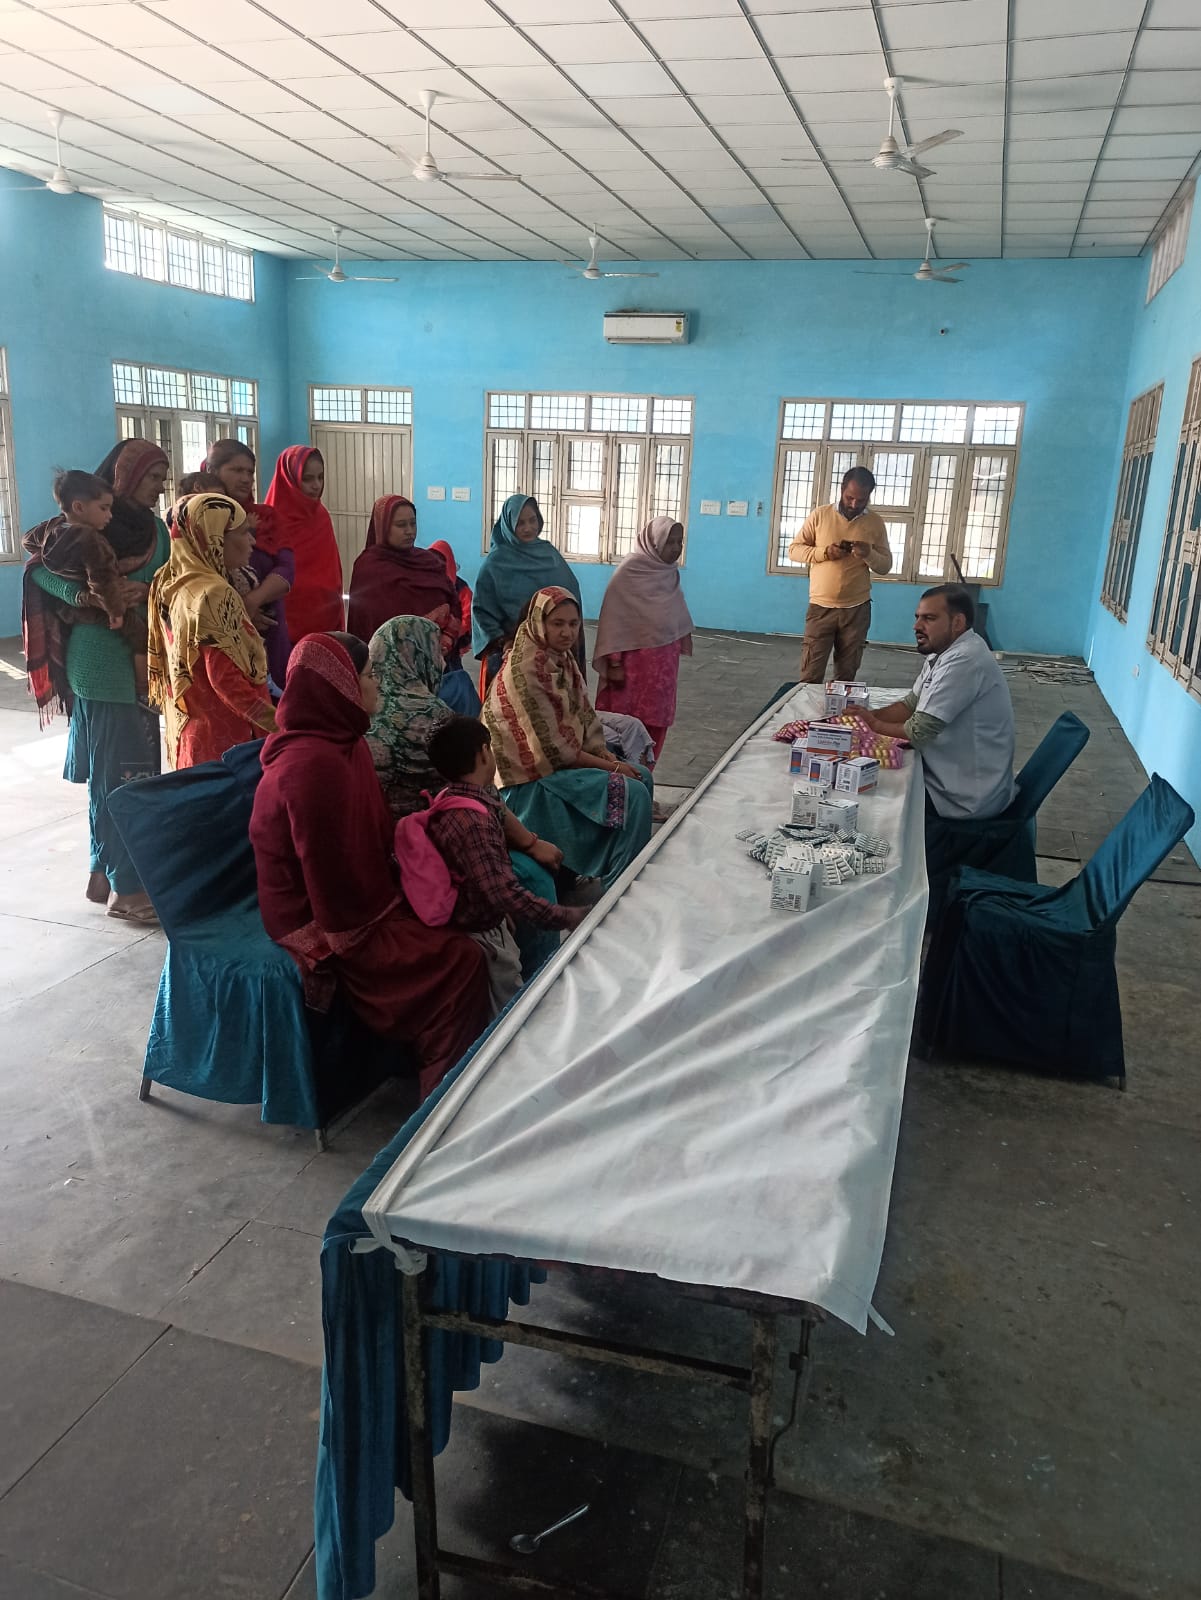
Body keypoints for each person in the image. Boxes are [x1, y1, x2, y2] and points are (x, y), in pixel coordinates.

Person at [248, 630, 490, 1101]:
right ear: (339, 688)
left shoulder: (344, 742)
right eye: (367, 674)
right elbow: (331, 886)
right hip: (320, 915)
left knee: (472, 914)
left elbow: (368, 843)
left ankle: (443, 1072)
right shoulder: (312, 766)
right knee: (461, 963)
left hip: (359, 893)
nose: (376, 683)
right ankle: (440, 1109)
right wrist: (390, 918)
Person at [22, 439, 170, 923]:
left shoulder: (156, 531)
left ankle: (104, 872)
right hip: (101, 664)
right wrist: (87, 597)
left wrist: (145, 590)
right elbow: (38, 572)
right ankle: (127, 889)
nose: (159, 487)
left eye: (162, 478)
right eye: (151, 477)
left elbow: (170, 580)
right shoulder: (72, 531)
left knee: (139, 773)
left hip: (143, 660)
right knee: (118, 777)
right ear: (124, 478)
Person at [484, 586, 653, 889]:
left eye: (573, 624)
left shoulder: (560, 660)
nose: (567, 632)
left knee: (641, 776)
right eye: (557, 623)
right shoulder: (527, 669)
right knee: (634, 793)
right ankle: (620, 890)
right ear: (539, 623)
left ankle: (615, 872)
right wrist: (613, 767)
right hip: (527, 779)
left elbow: (583, 719)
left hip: (555, 766)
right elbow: (555, 752)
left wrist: (607, 758)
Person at [424, 717, 586, 1011]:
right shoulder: (474, 822)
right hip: (482, 934)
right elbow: (504, 892)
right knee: (510, 1008)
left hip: (478, 918)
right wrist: (565, 916)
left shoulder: (449, 798)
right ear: (484, 753)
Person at [860, 583, 1015, 830]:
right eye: (917, 617)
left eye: (929, 618)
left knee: (870, 800)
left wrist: (871, 725)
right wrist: (863, 717)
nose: (917, 626)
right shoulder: (942, 651)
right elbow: (910, 705)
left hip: (966, 797)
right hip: (951, 775)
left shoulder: (965, 659)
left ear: (957, 622)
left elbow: (918, 732)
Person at [147, 493, 276, 770]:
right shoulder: (214, 593)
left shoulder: (167, 580)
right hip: (228, 744)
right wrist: (279, 726)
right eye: (243, 532)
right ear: (215, 538)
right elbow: (225, 680)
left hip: (190, 734)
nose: (252, 541)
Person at [26, 469, 149, 702]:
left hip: (70, 612)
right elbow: (101, 580)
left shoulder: (53, 530)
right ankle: (144, 688)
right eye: (104, 508)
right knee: (141, 634)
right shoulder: (91, 539)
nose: (110, 515)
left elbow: (27, 540)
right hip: (99, 609)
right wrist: (116, 612)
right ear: (79, 507)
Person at [593, 515, 692, 762]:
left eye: (680, 542)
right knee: (625, 725)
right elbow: (614, 617)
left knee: (657, 723)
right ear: (654, 542)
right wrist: (614, 662)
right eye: (670, 542)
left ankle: (645, 775)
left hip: (662, 672)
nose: (676, 548)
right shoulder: (630, 571)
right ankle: (622, 775)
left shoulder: (669, 574)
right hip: (632, 670)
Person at [788, 466, 893, 683]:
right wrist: (825, 552)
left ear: (869, 496)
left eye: (861, 500)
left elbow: (885, 566)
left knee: (846, 677)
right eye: (849, 498)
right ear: (842, 489)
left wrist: (868, 554)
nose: (854, 504)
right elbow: (794, 550)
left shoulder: (875, 523)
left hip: (857, 609)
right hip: (821, 607)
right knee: (810, 675)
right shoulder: (820, 515)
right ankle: (809, 707)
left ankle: (841, 706)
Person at [471, 494, 584, 693]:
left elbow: (570, 595)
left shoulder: (549, 555)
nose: (528, 528)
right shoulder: (495, 563)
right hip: (511, 652)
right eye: (520, 523)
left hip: (554, 651)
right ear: (508, 524)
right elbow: (481, 610)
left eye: (532, 520)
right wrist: (503, 641)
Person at [205, 439, 293, 690]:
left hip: (269, 628)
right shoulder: (198, 521)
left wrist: (252, 602)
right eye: (236, 470)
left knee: (271, 701)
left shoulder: (265, 517)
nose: (246, 479)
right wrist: (238, 613)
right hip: (218, 631)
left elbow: (286, 569)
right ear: (212, 471)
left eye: (250, 472)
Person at [364, 614, 456, 821]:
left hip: (370, 826)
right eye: (437, 651)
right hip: (424, 829)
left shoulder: (362, 705)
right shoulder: (435, 714)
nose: (441, 663)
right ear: (420, 654)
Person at [262, 446, 344, 644]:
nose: (316, 485)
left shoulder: (321, 516)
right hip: (284, 620)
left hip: (324, 617)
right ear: (289, 479)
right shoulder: (269, 520)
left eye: (320, 477)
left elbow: (332, 571)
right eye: (308, 479)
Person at [429, 538, 481, 717]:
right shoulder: (425, 584)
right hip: (429, 646)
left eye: (442, 563)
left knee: (454, 681)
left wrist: (450, 636)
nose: (437, 567)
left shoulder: (460, 587)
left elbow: (466, 615)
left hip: (451, 647)